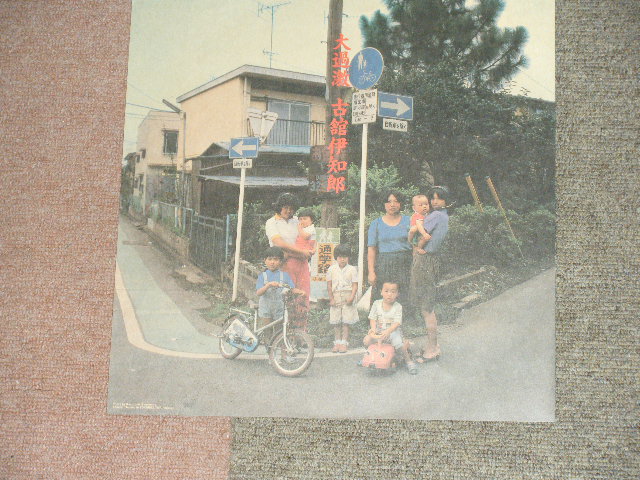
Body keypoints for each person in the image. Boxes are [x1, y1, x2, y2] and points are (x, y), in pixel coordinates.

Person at [409, 186, 450, 362]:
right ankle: (432, 345)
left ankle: (432, 348)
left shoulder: (436, 216)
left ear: (446, 201)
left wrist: (417, 247)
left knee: (426, 307)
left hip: (425, 261)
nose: (434, 202)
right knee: (427, 305)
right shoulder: (444, 216)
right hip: (432, 261)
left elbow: (423, 235)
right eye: (432, 198)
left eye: (438, 198)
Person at [264, 193, 314, 330]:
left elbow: (309, 236)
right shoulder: (271, 222)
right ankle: (284, 334)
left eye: (291, 208)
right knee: (288, 296)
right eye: (285, 207)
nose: (288, 211)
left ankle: (301, 333)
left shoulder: (298, 221)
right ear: (279, 207)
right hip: (283, 264)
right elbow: (278, 243)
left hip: (301, 263)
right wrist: (300, 252)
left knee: (303, 296)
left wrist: (309, 250)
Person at [367, 191, 413, 309]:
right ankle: (380, 324)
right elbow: (371, 249)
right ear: (384, 204)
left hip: (405, 262)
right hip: (384, 263)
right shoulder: (376, 223)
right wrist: (371, 272)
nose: (392, 204)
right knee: (384, 294)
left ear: (400, 204)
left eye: (396, 201)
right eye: (389, 201)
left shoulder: (409, 221)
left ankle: (404, 323)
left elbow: (416, 244)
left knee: (404, 293)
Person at [364, 281, 417, 375]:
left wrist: (388, 331)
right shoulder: (376, 304)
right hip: (379, 331)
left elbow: (397, 323)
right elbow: (372, 318)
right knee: (367, 340)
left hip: (392, 331)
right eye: (386, 291)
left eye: (393, 292)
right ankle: (370, 358)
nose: (389, 294)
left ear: (397, 294)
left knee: (398, 344)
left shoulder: (398, 307)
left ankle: (409, 361)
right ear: (381, 292)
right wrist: (373, 328)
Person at [255, 246, 304, 332]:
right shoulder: (262, 276)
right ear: (265, 260)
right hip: (266, 308)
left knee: (279, 331)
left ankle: (277, 345)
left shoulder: (285, 275)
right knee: (267, 330)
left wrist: (300, 292)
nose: (272, 262)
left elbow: (291, 288)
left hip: (279, 308)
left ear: (281, 261)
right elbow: (258, 293)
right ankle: (267, 344)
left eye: (276, 259)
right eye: (270, 259)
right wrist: (268, 285)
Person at [326, 244, 359, 353]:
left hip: (347, 296)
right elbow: (329, 285)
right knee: (336, 321)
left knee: (346, 321)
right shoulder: (331, 269)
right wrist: (331, 299)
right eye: (340, 257)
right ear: (336, 257)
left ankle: (344, 343)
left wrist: (351, 297)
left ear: (348, 257)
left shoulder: (352, 269)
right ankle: (337, 342)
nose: (342, 259)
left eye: (345, 256)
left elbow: (355, 285)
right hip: (335, 296)